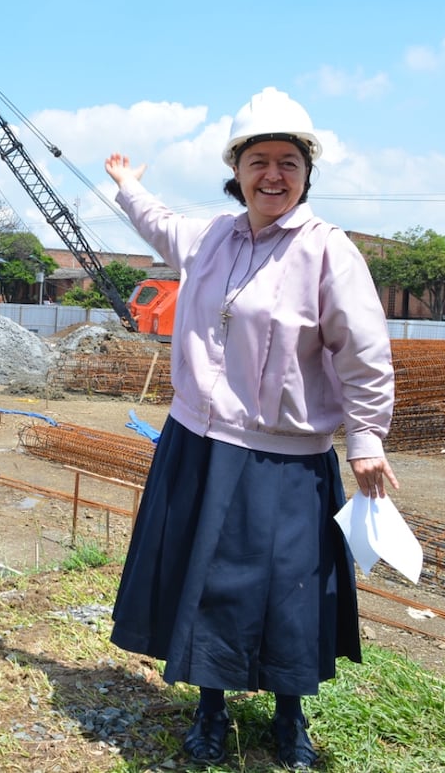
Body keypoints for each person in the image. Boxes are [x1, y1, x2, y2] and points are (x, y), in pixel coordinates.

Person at [104, 86, 398, 769]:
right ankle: (209, 710)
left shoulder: (328, 252)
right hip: (199, 444)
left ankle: (290, 717)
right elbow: (158, 223)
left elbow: (362, 353)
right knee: (206, 582)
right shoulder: (211, 237)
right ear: (235, 170)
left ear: (306, 173)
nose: (273, 175)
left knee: (289, 593)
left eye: (288, 162)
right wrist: (126, 184)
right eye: (258, 160)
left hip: (285, 459)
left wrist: (366, 440)